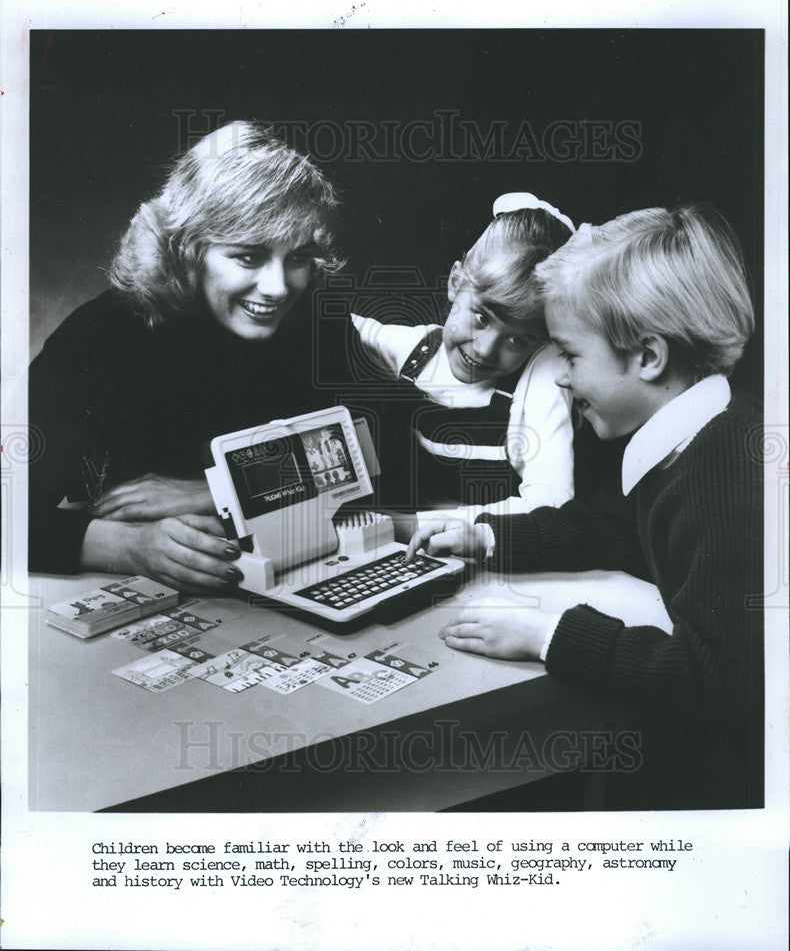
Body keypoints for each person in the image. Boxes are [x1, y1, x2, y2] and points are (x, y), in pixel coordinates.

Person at [407, 205, 762, 809]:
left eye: (570, 356)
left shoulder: (728, 476)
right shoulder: (695, 440)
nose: (562, 380)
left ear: (648, 357)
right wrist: (488, 537)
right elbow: (614, 526)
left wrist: (549, 636)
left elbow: (714, 685)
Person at [29, 121, 342, 592]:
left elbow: (384, 456)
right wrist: (126, 547)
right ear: (187, 250)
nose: (279, 288)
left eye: (297, 258)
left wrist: (221, 492)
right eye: (249, 257)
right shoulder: (100, 335)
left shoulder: (316, 314)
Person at [350, 193, 575, 535]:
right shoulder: (415, 350)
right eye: (482, 318)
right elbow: (344, 326)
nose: (485, 350)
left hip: (492, 555)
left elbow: (552, 503)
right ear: (455, 283)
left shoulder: (539, 378)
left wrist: (414, 525)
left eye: (518, 340)